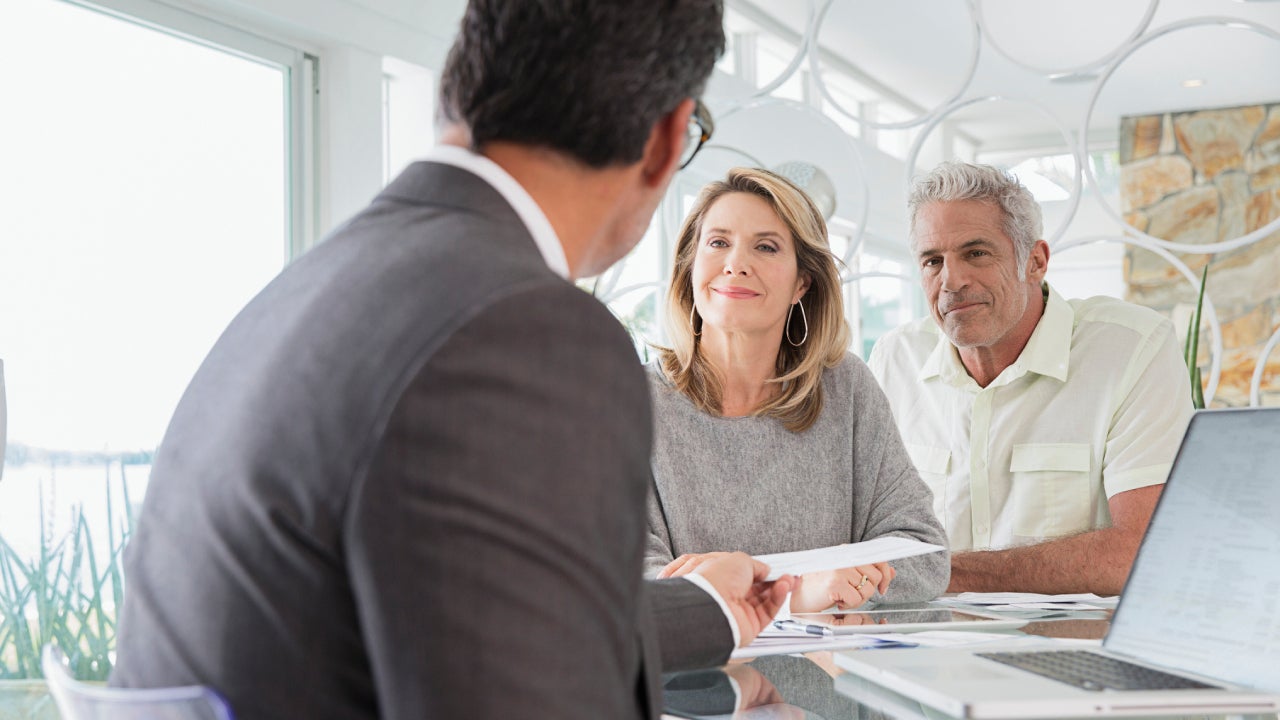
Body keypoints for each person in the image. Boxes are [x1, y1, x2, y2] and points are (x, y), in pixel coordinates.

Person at [109, 3, 796, 720]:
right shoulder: (524, 329)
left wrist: (707, 606)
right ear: (664, 139)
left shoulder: (305, 289)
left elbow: (457, 609)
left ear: (459, 84)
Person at [868, 160, 1194, 595]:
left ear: (1035, 262)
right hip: (919, 648)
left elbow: (1144, 550)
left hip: (1070, 651)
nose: (952, 281)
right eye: (932, 261)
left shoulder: (1132, 349)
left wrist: (938, 573)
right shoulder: (895, 360)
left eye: (976, 253)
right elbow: (857, 535)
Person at [644, 167, 949, 611]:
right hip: (689, 677)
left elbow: (923, 553)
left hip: (828, 675)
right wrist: (798, 592)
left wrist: (736, 583)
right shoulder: (633, 400)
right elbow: (630, 578)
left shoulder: (847, 389)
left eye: (765, 247)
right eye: (717, 242)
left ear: (801, 283)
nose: (735, 264)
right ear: (691, 265)